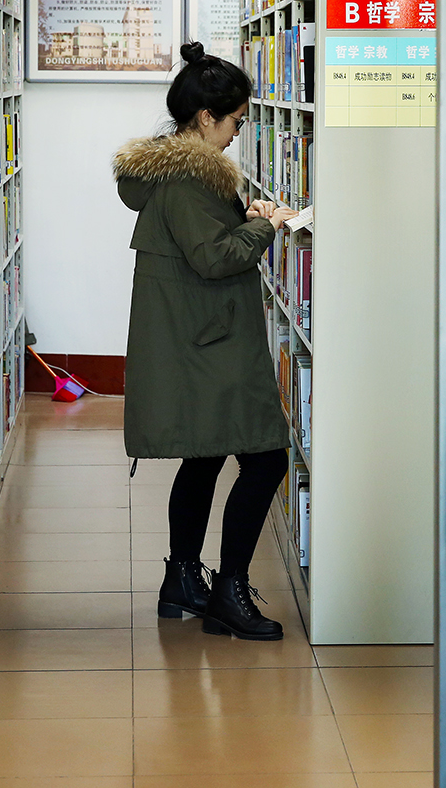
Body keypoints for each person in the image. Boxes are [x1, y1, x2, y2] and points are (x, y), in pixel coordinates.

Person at [112, 41, 298, 641]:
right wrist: (264, 227)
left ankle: (183, 581)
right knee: (266, 457)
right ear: (204, 118)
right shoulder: (192, 181)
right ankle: (228, 592)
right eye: (236, 123)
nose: (238, 135)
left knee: (205, 455)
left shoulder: (175, 173)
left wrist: (245, 218)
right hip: (208, 341)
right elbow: (214, 260)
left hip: (193, 336)